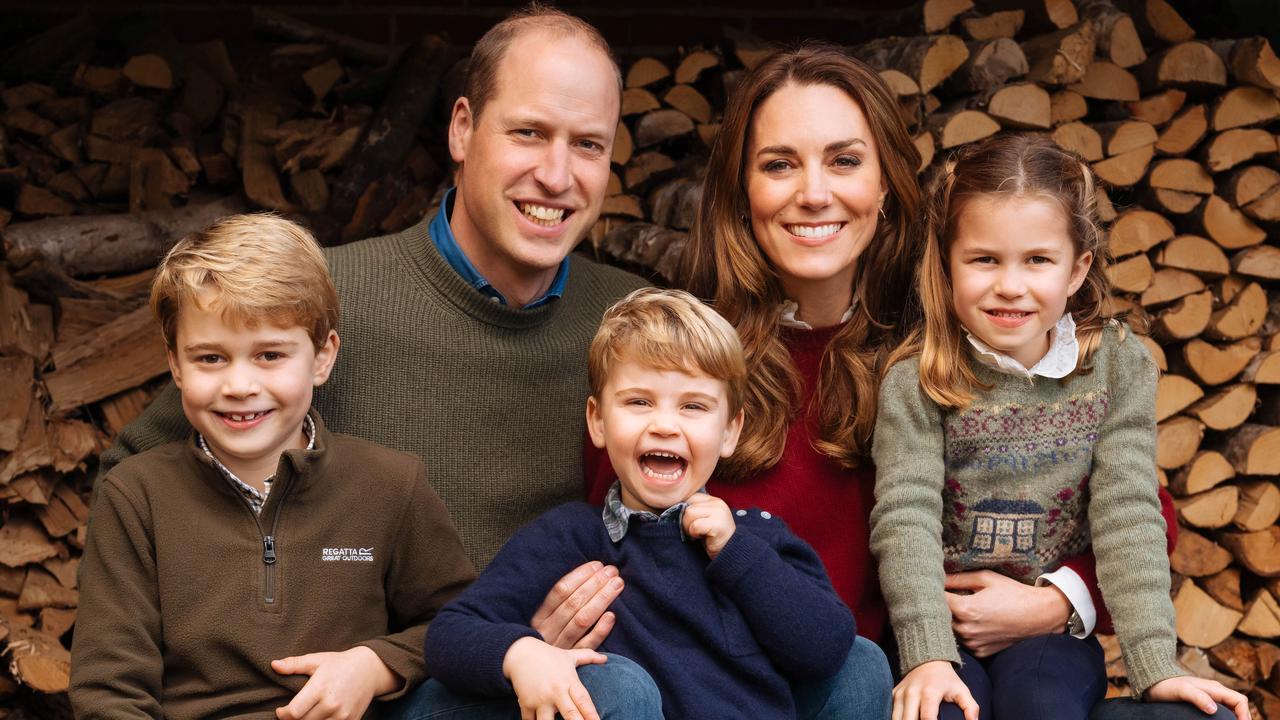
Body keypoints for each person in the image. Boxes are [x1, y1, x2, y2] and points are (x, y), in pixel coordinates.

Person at [96, 4, 647, 653]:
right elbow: (133, 480)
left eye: (588, 144)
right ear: (463, 130)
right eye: (528, 133)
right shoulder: (326, 300)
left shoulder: (634, 323)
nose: (556, 176)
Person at [869, 134, 1249, 720]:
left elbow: (1129, 511)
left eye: (1038, 260)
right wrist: (926, 654)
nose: (1011, 285)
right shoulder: (919, 378)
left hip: (1051, 638)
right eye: (984, 259)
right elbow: (905, 515)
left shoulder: (1117, 365)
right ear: (946, 264)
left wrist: (1156, 665)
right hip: (941, 629)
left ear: (1078, 269)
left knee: (1041, 707)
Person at [70, 215, 477, 719]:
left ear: (322, 357)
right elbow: (109, 691)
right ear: (174, 364)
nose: (239, 385)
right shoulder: (135, 496)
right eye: (210, 359)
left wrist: (374, 664)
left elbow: (458, 624)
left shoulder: (391, 485)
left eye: (269, 355)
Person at [424, 288, 856, 720]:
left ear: (730, 432)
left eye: (693, 406)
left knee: (862, 660)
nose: (665, 425)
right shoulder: (570, 537)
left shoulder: (756, 537)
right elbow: (450, 634)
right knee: (621, 684)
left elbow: (826, 649)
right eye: (638, 402)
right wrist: (522, 654)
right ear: (597, 420)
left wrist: (738, 553)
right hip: (624, 703)